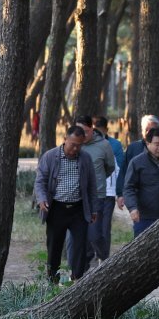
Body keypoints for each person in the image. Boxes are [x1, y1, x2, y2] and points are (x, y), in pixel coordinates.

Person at [34, 125, 97, 283]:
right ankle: (52, 281)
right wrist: (42, 199)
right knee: (54, 246)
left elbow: (92, 185)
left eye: (79, 145)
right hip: (56, 208)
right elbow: (40, 181)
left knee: (80, 246)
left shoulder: (85, 158)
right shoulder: (50, 156)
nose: (75, 149)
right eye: (73, 144)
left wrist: (94, 209)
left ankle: (77, 279)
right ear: (65, 140)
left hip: (78, 209)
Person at [68, 115, 115, 268]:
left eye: (85, 131)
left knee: (94, 235)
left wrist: (97, 180)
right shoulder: (73, 144)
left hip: (96, 197)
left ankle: (103, 256)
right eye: (79, 131)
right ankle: (76, 272)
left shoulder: (104, 145)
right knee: (73, 237)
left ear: (92, 129)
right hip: (74, 197)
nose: (82, 135)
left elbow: (109, 167)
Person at [94, 116, 124, 260]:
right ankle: (93, 254)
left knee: (105, 226)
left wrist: (119, 192)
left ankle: (104, 258)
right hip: (93, 193)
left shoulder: (115, 145)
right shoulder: (88, 144)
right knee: (93, 225)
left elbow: (120, 169)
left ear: (106, 130)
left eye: (102, 131)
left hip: (109, 193)